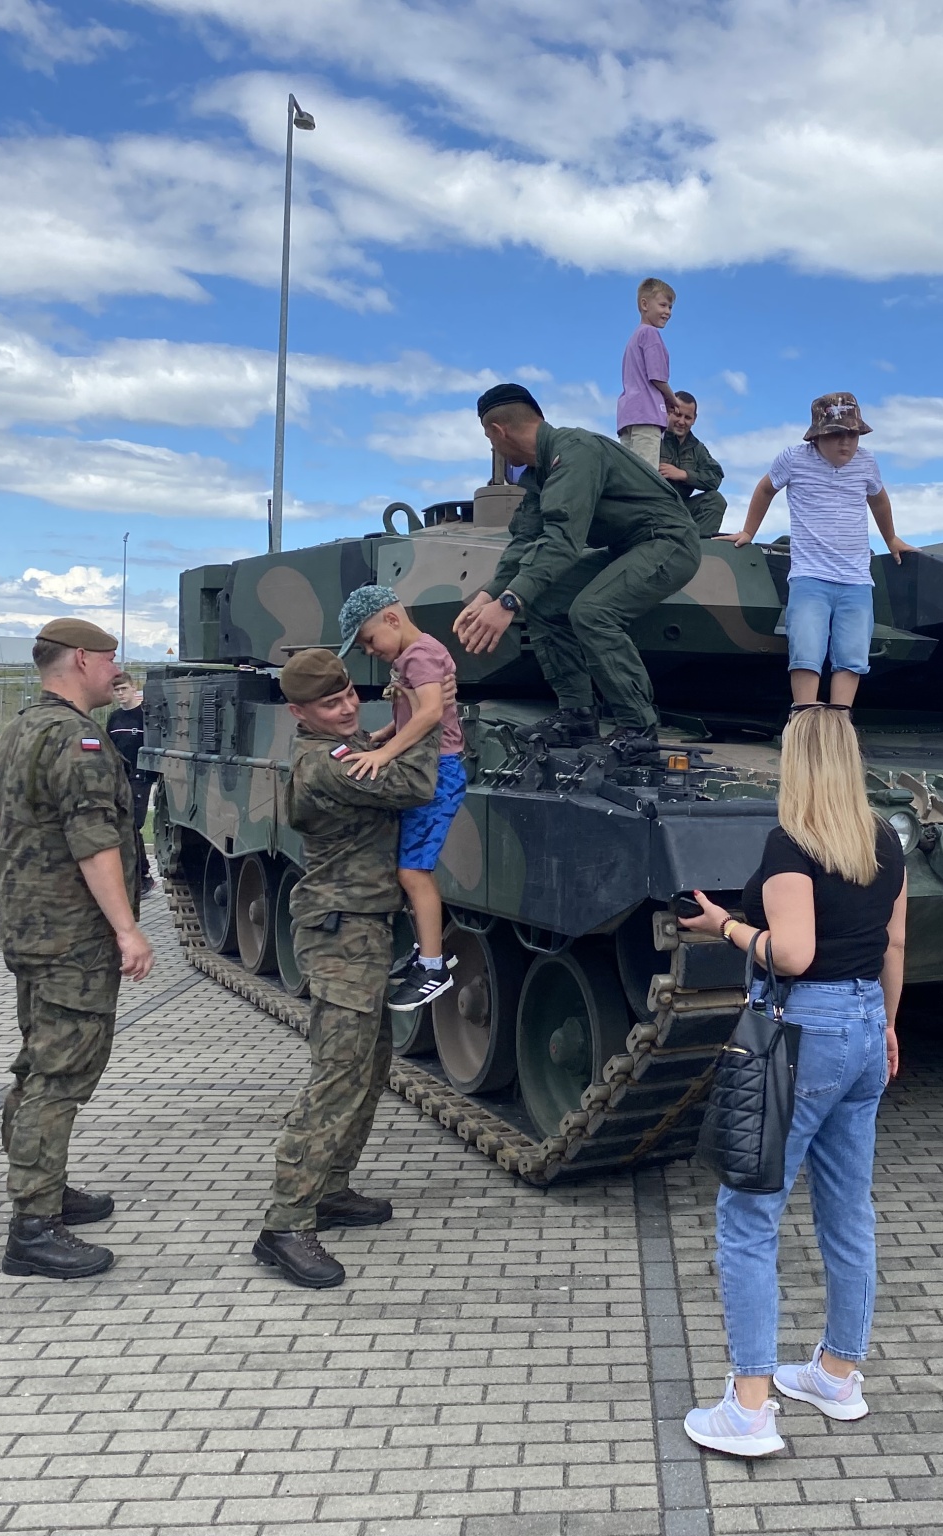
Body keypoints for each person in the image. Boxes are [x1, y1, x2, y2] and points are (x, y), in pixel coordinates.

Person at [675, 704, 908, 1457]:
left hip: (803, 1032)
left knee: (749, 1214)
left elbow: (796, 953)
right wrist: (888, 1026)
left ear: (795, 766)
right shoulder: (884, 840)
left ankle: (748, 1409)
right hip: (865, 1027)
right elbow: (894, 945)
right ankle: (837, 1374)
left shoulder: (791, 844)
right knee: (848, 1210)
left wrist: (725, 926)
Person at [254, 648, 453, 1288]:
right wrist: (431, 712)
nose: (345, 709)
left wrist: (401, 722)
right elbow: (415, 783)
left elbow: (379, 747)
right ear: (298, 713)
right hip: (340, 931)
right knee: (338, 1076)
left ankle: (331, 1189)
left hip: (365, 928)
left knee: (368, 1067)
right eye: (329, 703)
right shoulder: (326, 765)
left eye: (347, 696)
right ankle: (286, 1225)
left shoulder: (348, 747)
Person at [0, 617, 155, 1281]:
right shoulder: (78, 740)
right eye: (111, 659)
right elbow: (94, 842)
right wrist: (127, 929)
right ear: (81, 659)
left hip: (29, 926)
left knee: (38, 1061)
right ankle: (32, 1227)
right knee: (61, 1074)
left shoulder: (16, 730)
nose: (118, 671)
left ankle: (44, 1187)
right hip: (72, 937)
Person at [454, 382, 702, 753]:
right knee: (544, 600)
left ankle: (638, 728)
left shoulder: (575, 452)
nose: (494, 447)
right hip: (630, 547)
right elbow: (525, 541)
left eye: (489, 440)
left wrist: (508, 603)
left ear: (497, 431)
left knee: (592, 611)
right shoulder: (542, 472)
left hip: (669, 542)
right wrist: (489, 595)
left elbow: (561, 541)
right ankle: (577, 717)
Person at [720, 392, 914, 708]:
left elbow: (878, 499)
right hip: (810, 578)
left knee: (852, 656)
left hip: (856, 580)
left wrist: (891, 538)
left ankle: (840, 719)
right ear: (817, 436)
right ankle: (804, 715)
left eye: (853, 434)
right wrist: (748, 532)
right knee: (806, 651)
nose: (846, 442)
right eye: (836, 434)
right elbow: (766, 488)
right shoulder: (794, 459)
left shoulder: (866, 462)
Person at [334, 584, 467, 1012]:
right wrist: (383, 734)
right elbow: (418, 711)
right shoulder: (416, 653)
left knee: (413, 872)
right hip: (426, 768)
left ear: (392, 619)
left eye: (369, 641)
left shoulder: (418, 655)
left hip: (436, 771)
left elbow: (430, 713)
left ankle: (433, 967)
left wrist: (384, 753)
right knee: (407, 867)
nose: (370, 651)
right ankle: (426, 951)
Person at [617, 277, 678, 471]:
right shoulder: (651, 334)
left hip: (628, 416)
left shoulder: (634, 338)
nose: (668, 312)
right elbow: (657, 376)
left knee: (628, 473)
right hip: (647, 416)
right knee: (646, 475)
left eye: (670, 307)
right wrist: (672, 399)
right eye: (663, 305)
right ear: (645, 304)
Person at [105, 673, 154, 895]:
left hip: (139, 778)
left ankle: (144, 876)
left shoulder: (145, 716)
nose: (120, 694)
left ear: (134, 688)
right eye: (116, 690)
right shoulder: (114, 718)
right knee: (119, 825)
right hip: (119, 779)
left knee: (134, 825)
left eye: (124, 689)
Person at [660, 391, 727, 535]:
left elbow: (715, 477)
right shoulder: (653, 438)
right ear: (668, 411)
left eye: (687, 417)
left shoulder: (697, 448)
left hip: (681, 509)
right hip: (654, 507)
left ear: (694, 419)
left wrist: (684, 475)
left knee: (716, 500)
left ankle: (695, 546)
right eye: (678, 414)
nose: (681, 422)